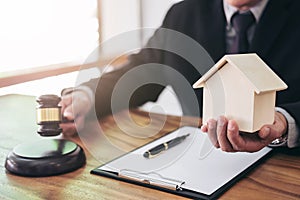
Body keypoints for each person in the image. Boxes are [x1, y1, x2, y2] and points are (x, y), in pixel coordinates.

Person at [60, 0, 300, 152]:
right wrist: (88, 95)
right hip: (199, 161)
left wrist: (284, 121)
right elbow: (142, 69)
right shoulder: (183, 14)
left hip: (285, 164)